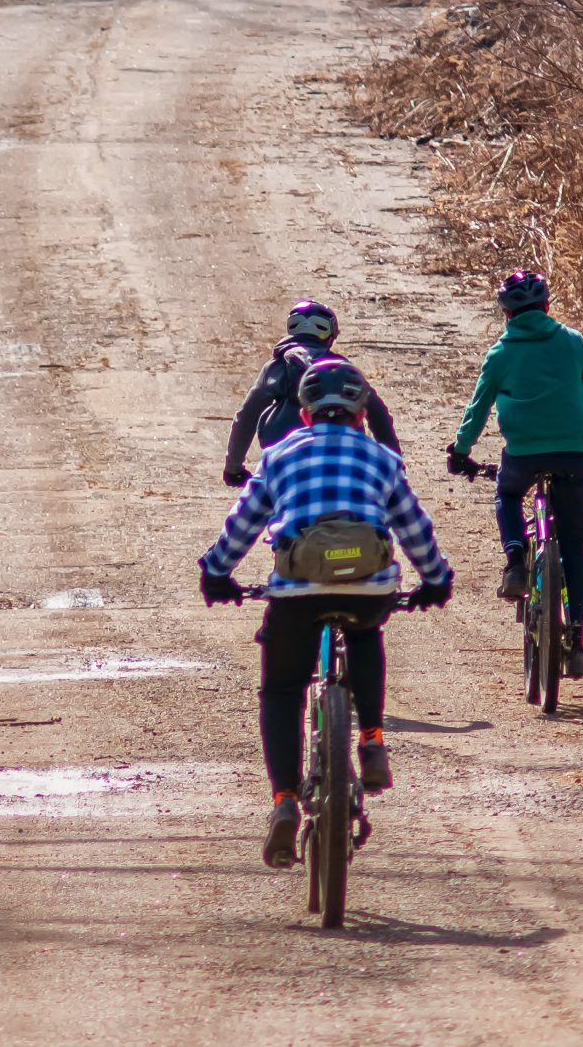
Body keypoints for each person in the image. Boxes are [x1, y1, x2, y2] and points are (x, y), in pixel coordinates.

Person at [200, 360, 452, 869]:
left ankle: (285, 801)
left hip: (297, 590)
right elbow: (413, 527)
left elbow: (243, 525)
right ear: (361, 411)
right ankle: (371, 739)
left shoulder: (278, 456)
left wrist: (217, 572)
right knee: (364, 635)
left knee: (282, 689)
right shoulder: (382, 459)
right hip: (368, 585)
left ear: (305, 411)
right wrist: (435, 579)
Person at [444, 268, 583, 678]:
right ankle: (576, 642)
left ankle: (516, 561)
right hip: (574, 452)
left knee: (508, 493)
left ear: (506, 314)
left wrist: (461, 451)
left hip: (524, 453)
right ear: (547, 306)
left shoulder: (501, 355)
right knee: (573, 547)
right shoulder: (569, 340)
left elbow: (477, 409)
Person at [222, 300, 400, 486]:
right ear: (330, 335)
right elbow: (378, 413)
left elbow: (248, 414)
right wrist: (393, 464)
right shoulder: (342, 369)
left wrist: (233, 467)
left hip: (283, 457)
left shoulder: (278, 366)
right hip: (343, 456)